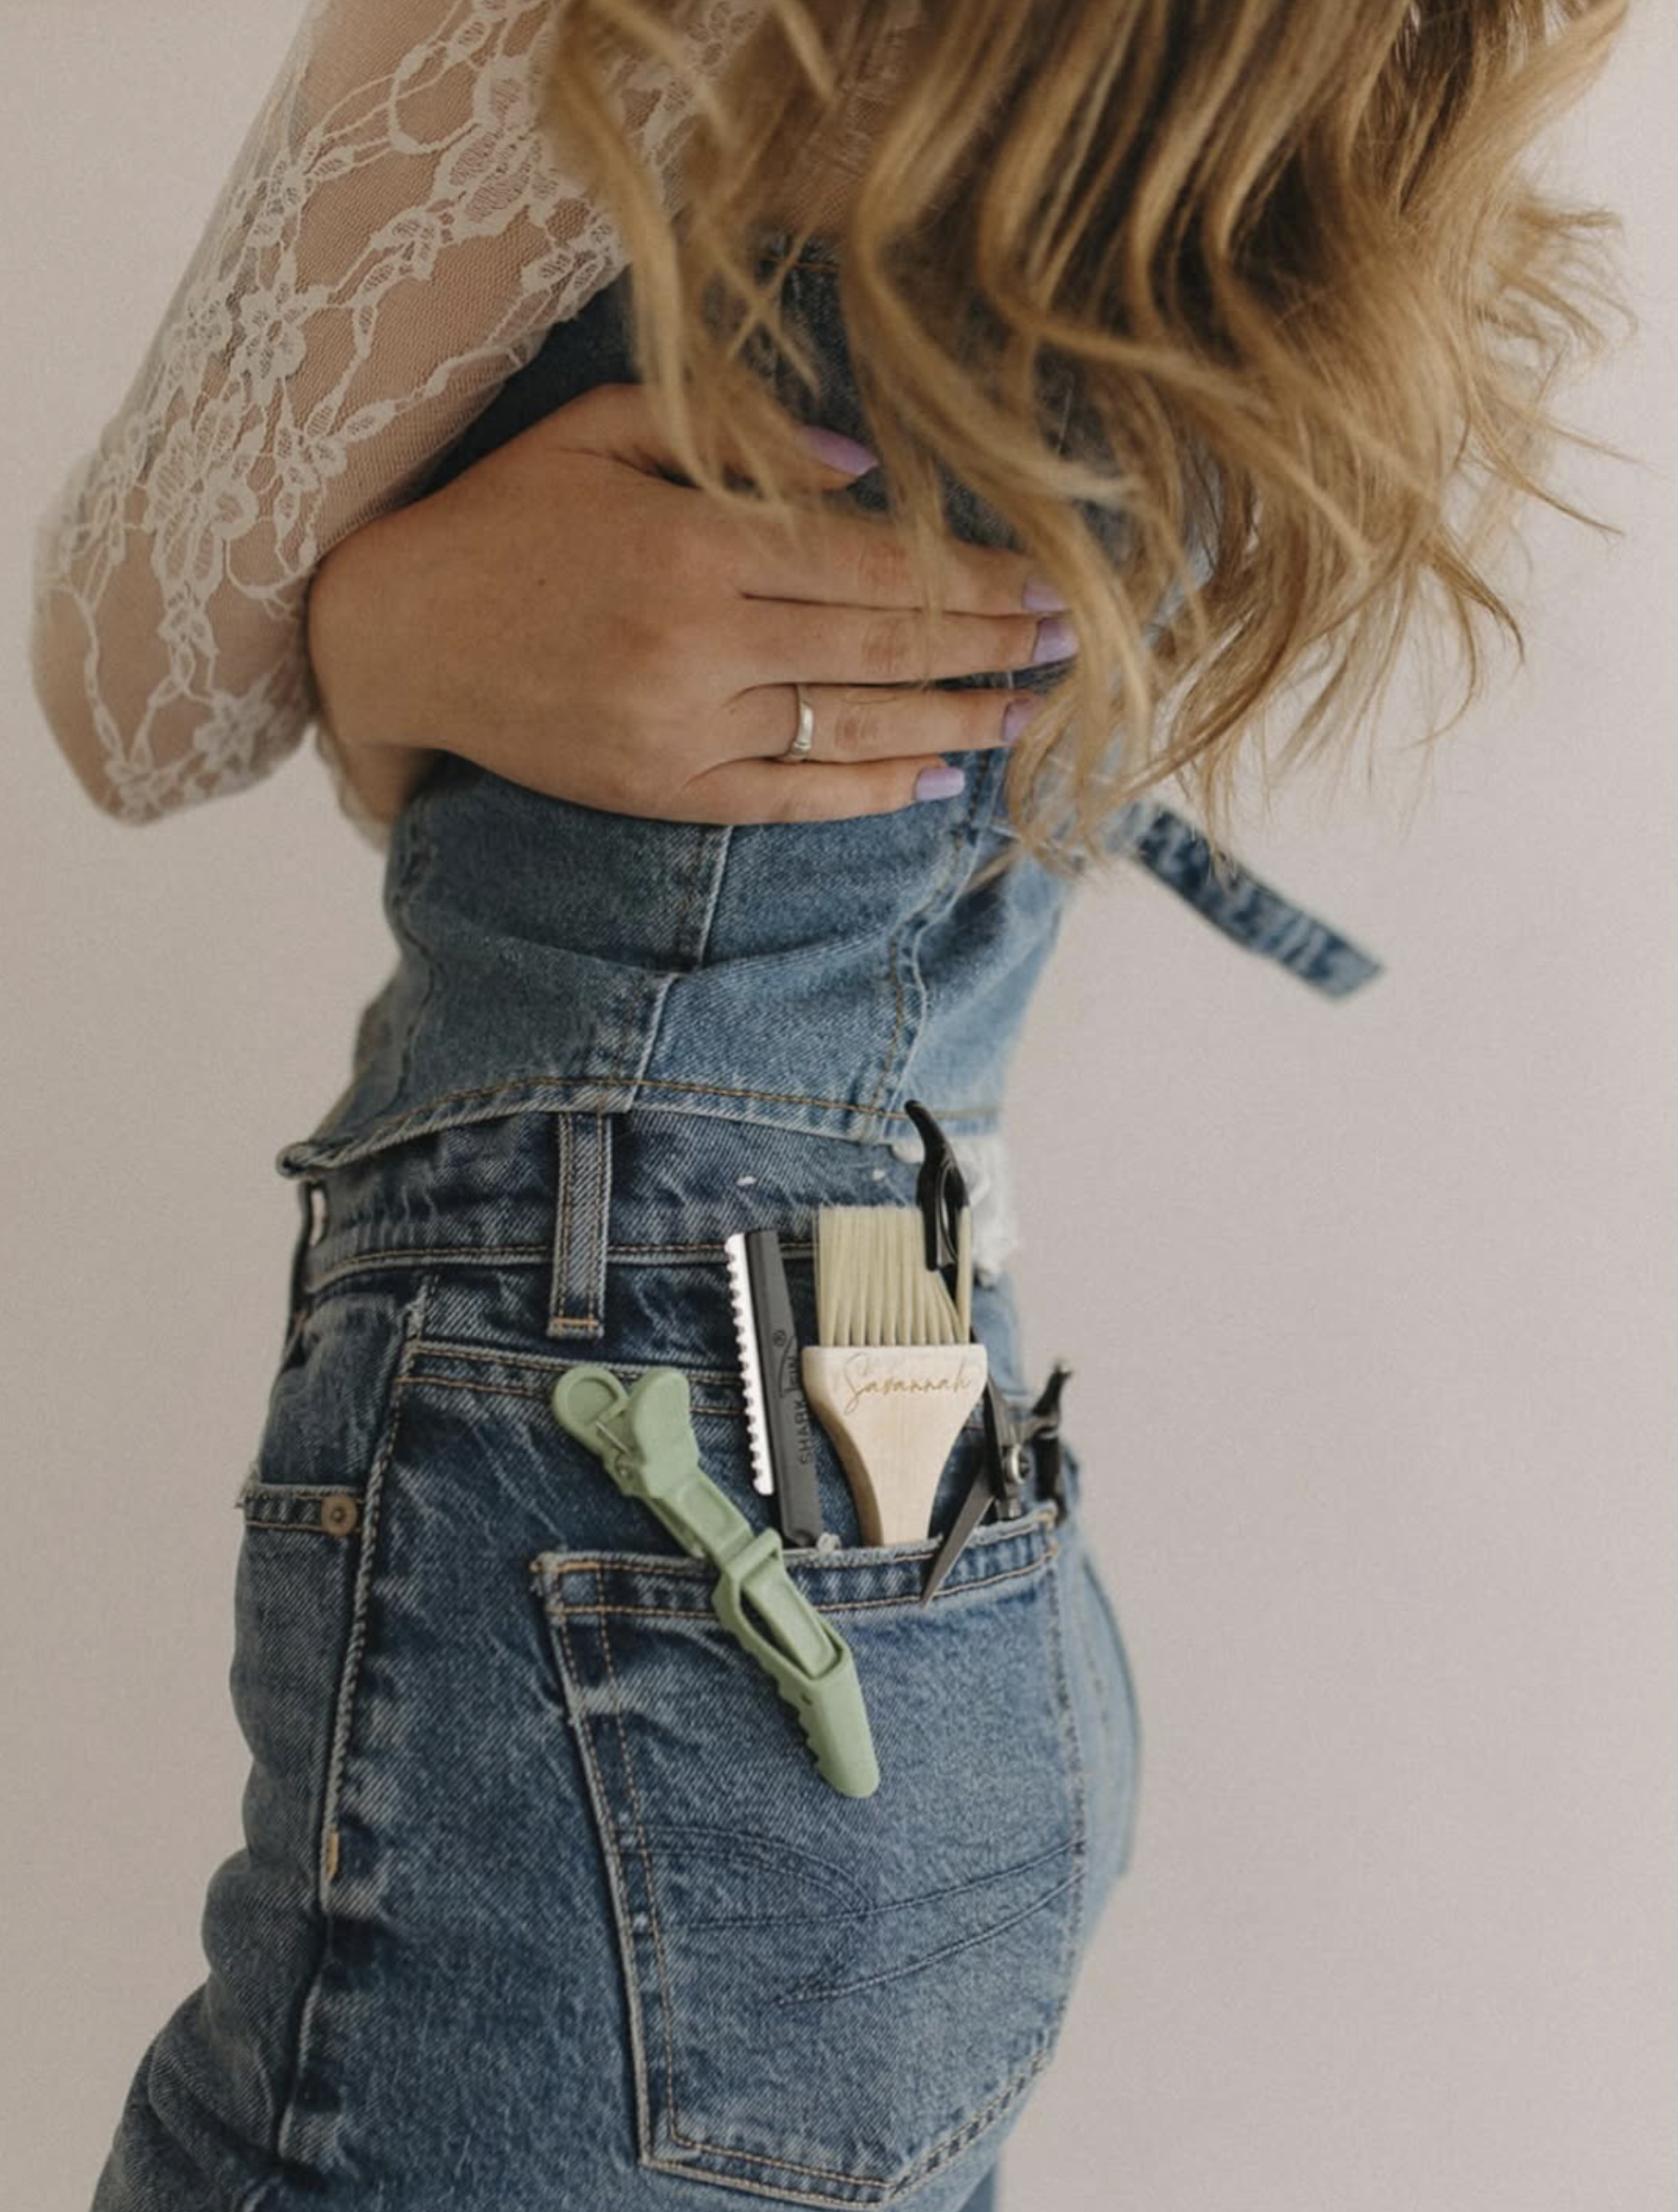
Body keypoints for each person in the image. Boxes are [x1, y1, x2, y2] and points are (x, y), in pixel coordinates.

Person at [28, 4, 1632, 2207]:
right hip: (920, 1469)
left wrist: (388, 621)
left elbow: (129, 683)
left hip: (624, 1485)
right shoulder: (1304, 74)